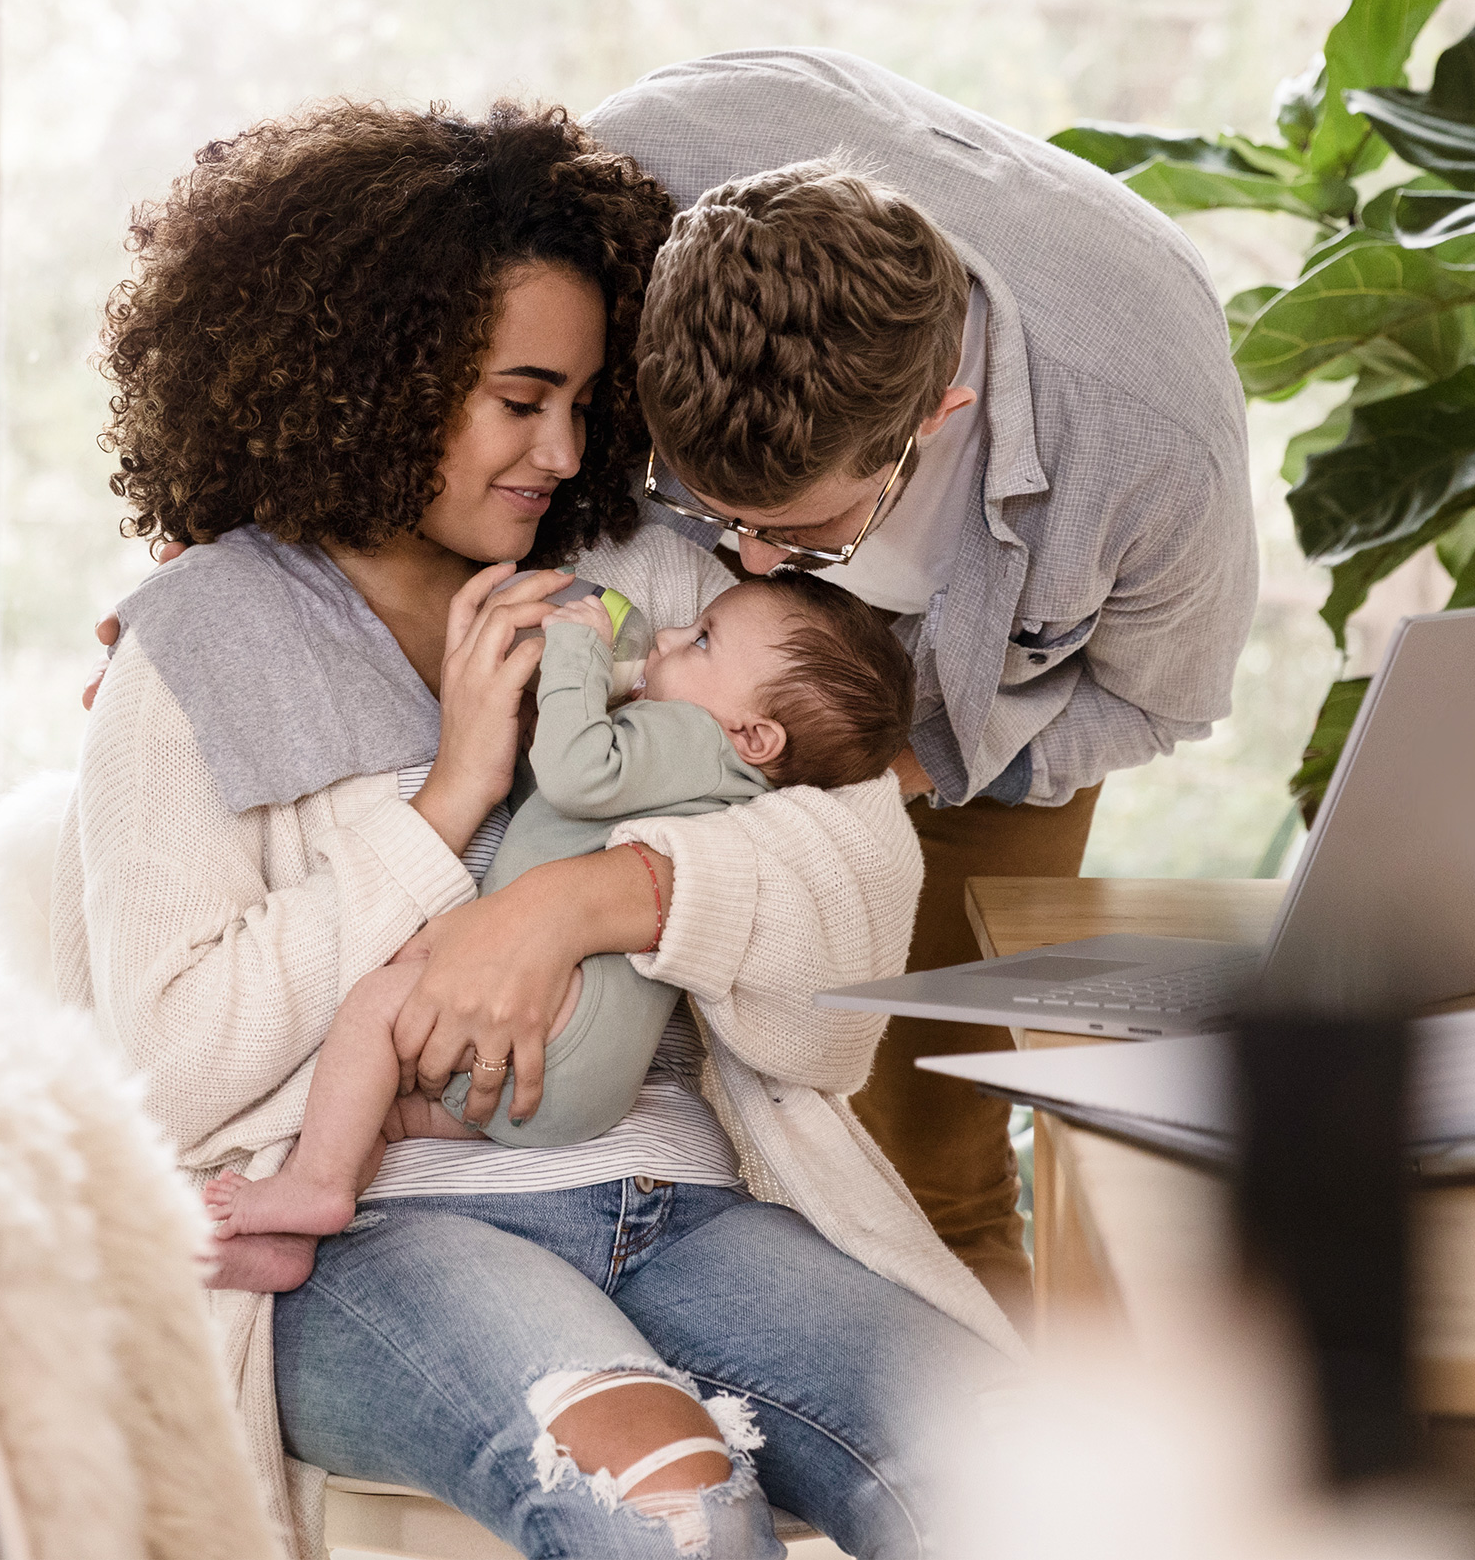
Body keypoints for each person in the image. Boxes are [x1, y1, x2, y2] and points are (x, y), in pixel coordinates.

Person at [51, 98, 1018, 1559]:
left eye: (582, 399)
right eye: (520, 399)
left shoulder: (653, 581)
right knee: (672, 1510)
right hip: (385, 1237)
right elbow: (168, 1067)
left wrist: (595, 896)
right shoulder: (199, 647)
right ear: (379, 378)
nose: (567, 449)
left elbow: (857, 874)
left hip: (688, 1193)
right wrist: (446, 805)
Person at [584, 48, 1260, 1321]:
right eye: (708, 512)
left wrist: (919, 768)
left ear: (936, 417)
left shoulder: (1156, 452)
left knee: (928, 1166)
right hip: (676, 658)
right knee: (702, 1111)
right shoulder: (612, 190)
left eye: (802, 535)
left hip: (993, 713)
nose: (752, 565)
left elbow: (1159, 703)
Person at [204, 574, 914, 1248]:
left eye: (701, 639)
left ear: (754, 735)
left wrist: (580, 646)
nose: (666, 635)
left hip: (559, 1036)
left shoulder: (695, 738)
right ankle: (298, 1229)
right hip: (584, 1085)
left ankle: (318, 1182)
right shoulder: (711, 773)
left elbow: (578, 775)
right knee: (377, 1115)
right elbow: (550, 807)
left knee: (373, 1010)